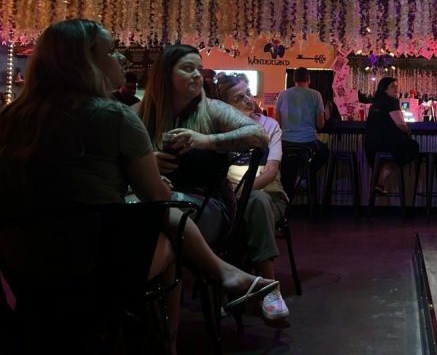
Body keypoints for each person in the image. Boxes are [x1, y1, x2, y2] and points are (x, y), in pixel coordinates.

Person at [0, 20, 276, 354]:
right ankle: (168, 337)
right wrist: (145, 170)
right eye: (111, 51)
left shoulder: (11, 117)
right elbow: (157, 198)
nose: (122, 58)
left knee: (161, 214)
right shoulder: (120, 116)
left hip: (21, 260)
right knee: (166, 221)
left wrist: (203, 141)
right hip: (94, 262)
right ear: (85, 62)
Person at [135, 45, 268, 247]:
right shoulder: (138, 113)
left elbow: (259, 135)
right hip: (155, 200)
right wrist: (146, 163)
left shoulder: (213, 109)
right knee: (154, 228)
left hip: (208, 203)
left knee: (154, 219)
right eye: (188, 68)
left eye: (199, 68)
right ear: (165, 74)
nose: (197, 75)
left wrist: (205, 140)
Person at [215, 73, 290, 320]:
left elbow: (270, 172)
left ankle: (268, 288)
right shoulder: (218, 129)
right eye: (239, 97)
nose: (248, 100)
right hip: (227, 197)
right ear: (224, 105)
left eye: (248, 93)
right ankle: (240, 285)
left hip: (268, 194)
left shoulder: (269, 125)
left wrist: (240, 193)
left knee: (255, 201)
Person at [274, 67, 329, 198]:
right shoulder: (316, 95)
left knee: (288, 166)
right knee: (325, 152)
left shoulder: (282, 95)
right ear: (309, 79)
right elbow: (320, 125)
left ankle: (287, 197)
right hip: (308, 143)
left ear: (293, 79)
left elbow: (278, 124)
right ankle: (305, 176)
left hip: (286, 143)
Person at [364, 77, 419, 194]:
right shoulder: (391, 101)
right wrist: (408, 130)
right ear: (385, 89)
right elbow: (400, 123)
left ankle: (380, 181)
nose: (396, 89)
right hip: (387, 145)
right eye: (393, 86)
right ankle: (381, 180)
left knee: (395, 156)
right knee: (412, 147)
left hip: (371, 146)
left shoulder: (375, 103)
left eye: (397, 87)